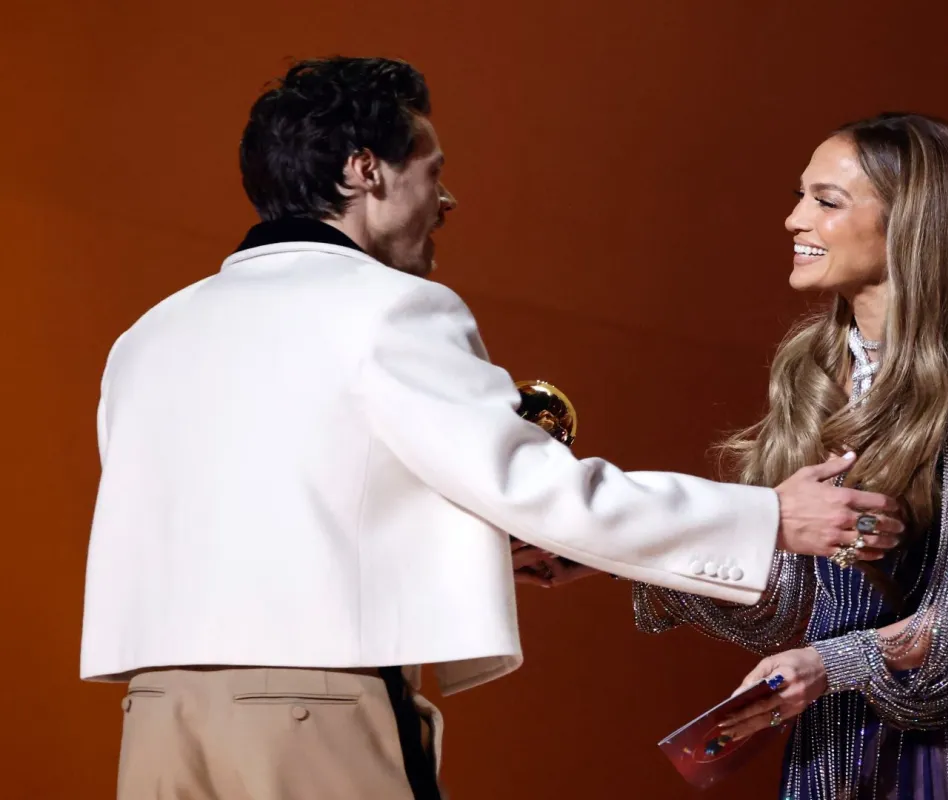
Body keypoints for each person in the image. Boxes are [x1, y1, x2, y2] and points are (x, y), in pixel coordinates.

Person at [78, 58, 905, 800]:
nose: (446, 201)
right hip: (309, 717)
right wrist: (769, 518)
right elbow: (540, 488)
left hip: (155, 718)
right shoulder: (391, 307)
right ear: (366, 171)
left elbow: (263, 516)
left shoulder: (150, 335)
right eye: (431, 173)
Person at [632, 113, 948, 798]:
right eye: (801, 196)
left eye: (825, 200)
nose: (793, 219)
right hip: (842, 745)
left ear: (914, 226)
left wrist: (828, 665)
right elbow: (788, 600)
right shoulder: (812, 369)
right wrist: (634, 548)